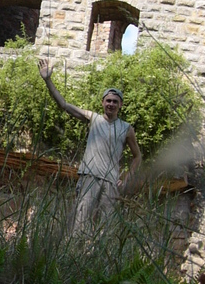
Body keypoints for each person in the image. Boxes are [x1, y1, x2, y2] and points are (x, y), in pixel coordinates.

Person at [38, 58, 142, 230]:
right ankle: (74, 254)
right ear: (102, 102)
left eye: (115, 102)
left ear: (121, 105)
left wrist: (127, 177)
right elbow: (63, 105)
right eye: (108, 100)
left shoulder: (126, 129)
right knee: (79, 223)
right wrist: (48, 80)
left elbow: (137, 156)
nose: (111, 104)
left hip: (111, 182)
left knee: (107, 228)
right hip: (89, 178)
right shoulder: (93, 118)